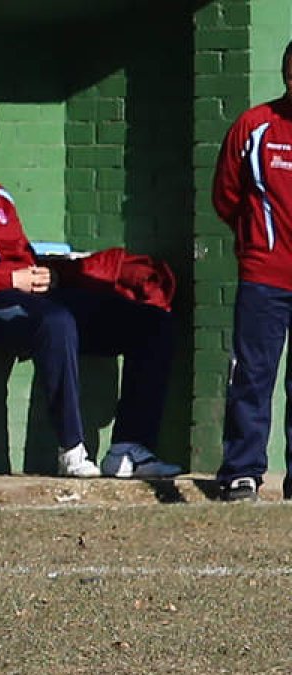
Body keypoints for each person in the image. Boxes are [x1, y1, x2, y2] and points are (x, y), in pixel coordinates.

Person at [0, 94, 181, 480]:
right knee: (56, 322)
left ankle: (128, 448)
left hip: (30, 294)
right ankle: (70, 449)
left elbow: (21, 254)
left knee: (151, 323)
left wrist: (43, 274)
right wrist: (8, 279)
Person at [213, 41, 292, 502]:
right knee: (253, 375)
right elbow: (226, 195)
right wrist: (256, 242)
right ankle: (242, 472)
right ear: (286, 75)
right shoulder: (255, 125)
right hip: (264, 276)